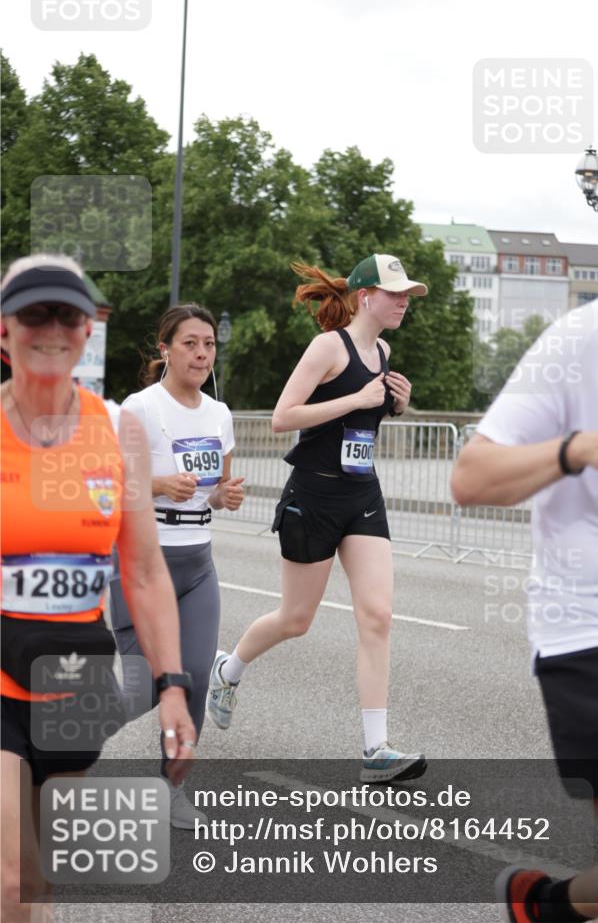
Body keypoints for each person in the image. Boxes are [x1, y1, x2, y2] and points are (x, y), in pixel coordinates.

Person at [451, 159, 598, 923]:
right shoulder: (581, 342)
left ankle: (547, 906)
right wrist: (578, 449)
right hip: (596, 636)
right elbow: (470, 477)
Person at [1, 255, 196, 923]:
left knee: (39, 884)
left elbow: (143, 572)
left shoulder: (119, 432)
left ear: (89, 331)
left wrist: (172, 685)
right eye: (34, 313)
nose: (51, 328)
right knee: (9, 876)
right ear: (4, 331)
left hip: (77, 680)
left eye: (68, 315)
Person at [207, 254, 428, 782]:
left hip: (362, 495)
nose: (403, 302)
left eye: (406, 294)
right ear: (365, 295)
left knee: (377, 616)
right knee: (295, 620)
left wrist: (397, 404)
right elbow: (284, 417)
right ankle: (227, 669)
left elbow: (362, 419)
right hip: (314, 496)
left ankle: (376, 750)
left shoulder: (385, 351)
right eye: (395, 292)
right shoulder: (329, 347)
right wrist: (357, 395)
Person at [109, 303, 244, 828]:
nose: (202, 353)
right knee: (143, 687)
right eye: (190, 343)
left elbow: (213, 495)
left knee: (190, 682)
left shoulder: (220, 413)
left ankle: (172, 789)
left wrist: (224, 496)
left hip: (197, 562)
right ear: (165, 348)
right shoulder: (140, 409)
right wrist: (160, 484)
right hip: (142, 558)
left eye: (208, 344)